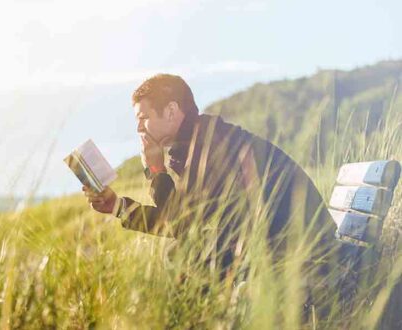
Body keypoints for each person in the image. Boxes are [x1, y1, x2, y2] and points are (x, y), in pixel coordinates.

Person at [83, 74, 339, 310]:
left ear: (171, 111)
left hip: (304, 257)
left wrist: (156, 169)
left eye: (143, 117)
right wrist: (117, 206)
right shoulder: (198, 141)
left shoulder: (210, 147)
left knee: (183, 258)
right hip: (278, 246)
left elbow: (178, 223)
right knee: (183, 256)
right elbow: (183, 221)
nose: (139, 128)